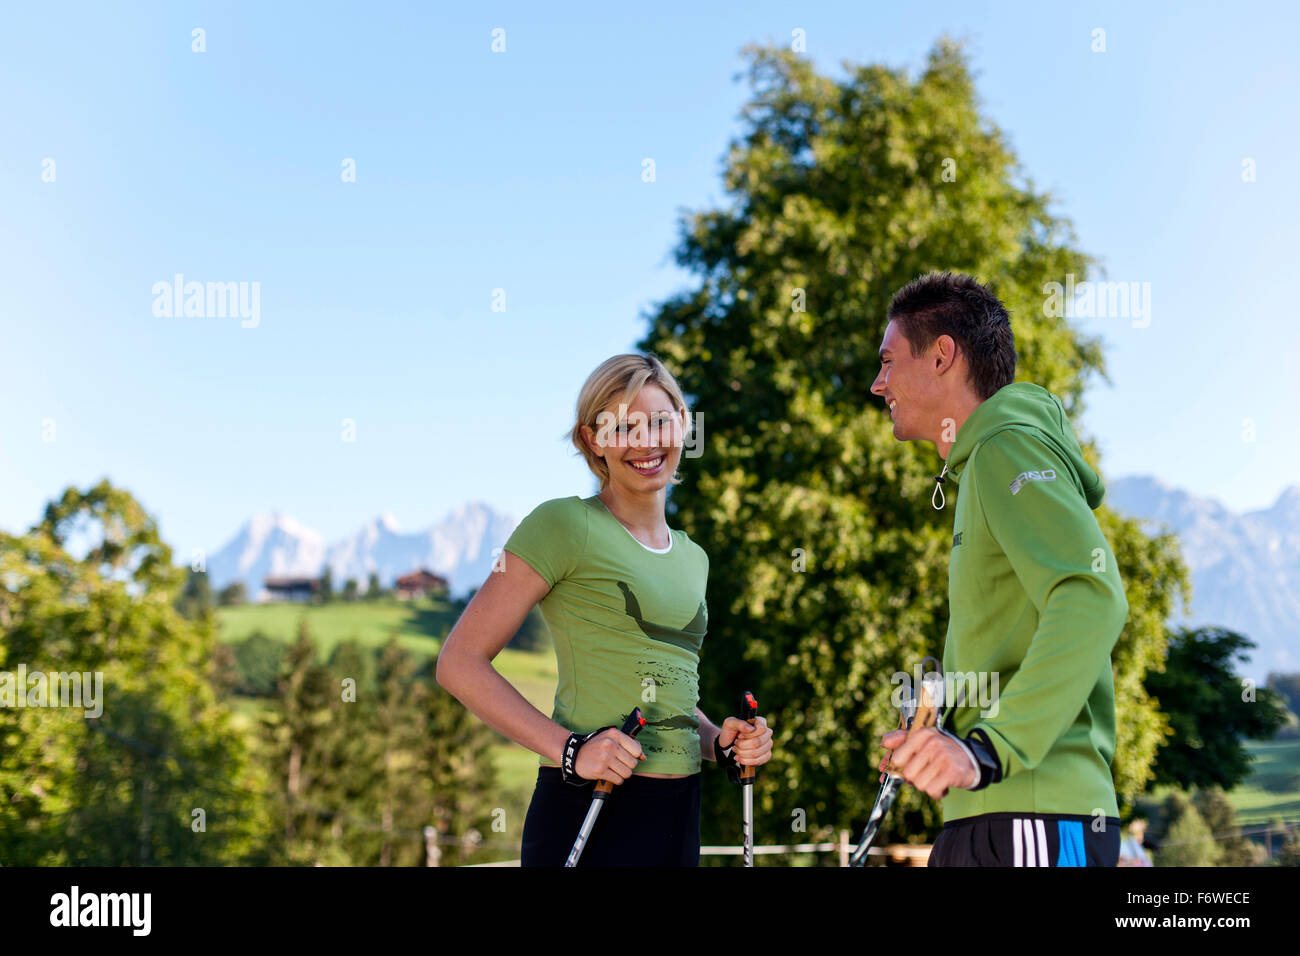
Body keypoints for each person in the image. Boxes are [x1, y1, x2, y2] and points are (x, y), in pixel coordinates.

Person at [437, 352, 773, 866]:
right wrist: (572, 750)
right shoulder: (562, 525)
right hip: (589, 808)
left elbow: (671, 699)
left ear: (682, 424)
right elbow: (459, 663)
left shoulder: (693, 557)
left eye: (660, 421)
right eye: (622, 427)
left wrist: (721, 744)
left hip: (679, 815)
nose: (646, 441)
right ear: (593, 440)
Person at [869, 272, 1128, 867]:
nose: (877, 383)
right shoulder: (985, 459)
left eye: (887, 361)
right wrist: (942, 729)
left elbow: (1092, 593)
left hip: (1034, 817)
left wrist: (989, 748)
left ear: (941, 356)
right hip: (994, 813)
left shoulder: (1005, 447)